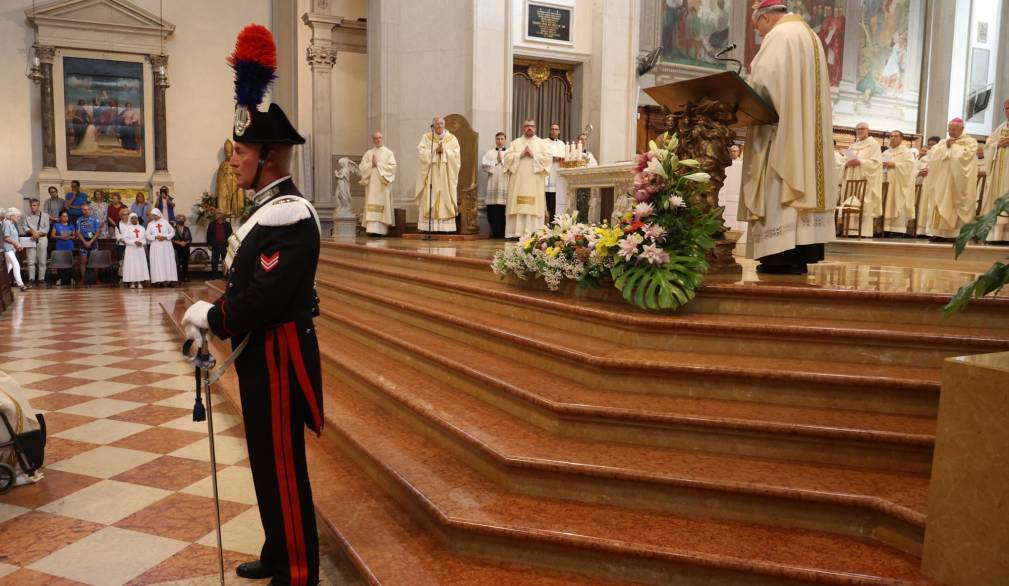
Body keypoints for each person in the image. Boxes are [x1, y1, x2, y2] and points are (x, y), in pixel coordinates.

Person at [182, 24, 323, 585]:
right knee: (264, 459)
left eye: (239, 152)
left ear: (267, 157)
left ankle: (297, 570)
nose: (233, 161)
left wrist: (211, 317)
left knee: (283, 465)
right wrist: (214, 320)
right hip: (262, 356)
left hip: (281, 357)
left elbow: (264, 297)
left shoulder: (292, 215)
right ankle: (276, 547)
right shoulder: (264, 210)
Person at [738, 0, 835, 274]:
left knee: (779, 186)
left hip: (781, 133)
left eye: (757, 27)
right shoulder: (810, 35)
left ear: (766, 17)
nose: (759, 33)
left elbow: (764, 84)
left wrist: (744, 93)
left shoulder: (780, 36)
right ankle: (800, 254)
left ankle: (780, 256)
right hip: (801, 129)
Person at [922, 118, 979, 241]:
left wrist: (953, 148)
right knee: (939, 202)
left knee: (954, 202)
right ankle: (939, 233)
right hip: (942, 180)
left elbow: (967, 157)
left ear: (962, 129)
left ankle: (955, 234)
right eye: (949, 129)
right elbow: (931, 154)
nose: (951, 132)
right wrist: (946, 147)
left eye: (953, 129)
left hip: (958, 181)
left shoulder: (970, 142)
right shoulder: (944, 142)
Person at [504, 119, 553, 238]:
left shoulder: (541, 143)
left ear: (535, 128)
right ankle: (516, 233)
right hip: (518, 181)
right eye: (526, 126)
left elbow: (548, 159)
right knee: (517, 205)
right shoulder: (515, 143)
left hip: (534, 181)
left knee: (534, 206)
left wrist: (533, 155)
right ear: (523, 128)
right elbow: (506, 158)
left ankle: (533, 232)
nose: (529, 128)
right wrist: (519, 155)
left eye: (532, 126)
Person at [415, 116, 461, 232]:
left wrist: (444, 151)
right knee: (430, 195)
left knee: (445, 195)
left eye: (441, 124)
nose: (439, 126)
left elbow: (456, 155)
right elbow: (421, 153)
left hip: (446, 174)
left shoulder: (452, 139)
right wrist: (435, 150)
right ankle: (428, 227)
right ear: (433, 126)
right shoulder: (426, 138)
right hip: (431, 172)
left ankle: (445, 228)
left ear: (444, 125)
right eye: (437, 124)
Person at [840, 122, 883, 237]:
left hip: (865, 179)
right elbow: (844, 161)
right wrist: (846, 164)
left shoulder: (874, 145)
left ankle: (863, 231)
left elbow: (876, 163)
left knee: (864, 202)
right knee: (848, 200)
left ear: (868, 130)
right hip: (850, 178)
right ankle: (848, 230)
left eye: (862, 129)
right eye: (857, 129)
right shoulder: (853, 146)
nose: (859, 131)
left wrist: (860, 162)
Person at [979, 99, 1009, 242]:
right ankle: (996, 236)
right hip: (1000, 174)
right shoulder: (1001, 128)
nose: (1008, 111)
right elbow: (988, 146)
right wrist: (997, 144)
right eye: (1006, 109)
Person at [358, 131, 397, 236]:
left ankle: (381, 231)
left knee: (382, 204)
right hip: (372, 185)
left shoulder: (389, 153)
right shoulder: (369, 153)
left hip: (382, 184)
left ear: (382, 138)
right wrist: (371, 164)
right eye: (376, 138)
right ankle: (371, 230)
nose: (378, 139)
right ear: (373, 140)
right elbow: (361, 167)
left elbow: (392, 168)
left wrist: (378, 164)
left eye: (380, 137)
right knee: (371, 204)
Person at [882, 130, 917, 236]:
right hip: (888, 181)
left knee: (899, 203)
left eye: (896, 136)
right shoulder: (886, 152)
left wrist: (894, 164)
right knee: (887, 203)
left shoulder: (906, 152)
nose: (892, 138)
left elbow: (910, 167)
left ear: (901, 138)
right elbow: (883, 167)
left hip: (900, 183)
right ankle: (886, 228)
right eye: (891, 136)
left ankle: (898, 230)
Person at [481, 132, 509, 238]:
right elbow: (484, 165)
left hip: (505, 183)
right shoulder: (490, 153)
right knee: (493, 209)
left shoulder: (510, 153)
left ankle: (504, 232)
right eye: (498, 139)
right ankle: (495, 232)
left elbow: (513, 165)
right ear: (495, 140)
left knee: (504, 209)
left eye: (502, 139)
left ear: (505, 140)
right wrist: (495, 162)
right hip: (493, 184)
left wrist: (502, 161)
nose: (500, 141)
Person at [21, 199, 49, 286]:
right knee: (31, 260)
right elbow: (25, 227)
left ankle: (41, 279)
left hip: (42, 238)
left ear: (38, 205)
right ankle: (31, 279)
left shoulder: (45, 215)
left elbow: (47, 228)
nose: (33, 207)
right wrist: (33, 233)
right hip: (31, 239)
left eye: (35, 205)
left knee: (42, 260)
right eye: (31, 205)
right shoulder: (26, 216)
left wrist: (38, 234)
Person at [146, 207, 177, 287]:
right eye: (152, 216)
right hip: (156, 246)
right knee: (157, 263)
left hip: (166, 246)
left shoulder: (165, 222)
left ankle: (169, 280)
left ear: (158, 214)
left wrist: (166, 237)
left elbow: (173, 232)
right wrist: (155, 237)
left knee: (167, 262)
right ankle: (158, 281)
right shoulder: (150, 224)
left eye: (154, 215)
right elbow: (147, 235)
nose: (153, 217)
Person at [543, 123, 566, 221]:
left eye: (556, 129)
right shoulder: (544, 142)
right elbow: (541, 156)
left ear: (559, 131)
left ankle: (557, 222)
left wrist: (563, 159)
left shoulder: (562, 144)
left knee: (558, 200)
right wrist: (552, 158)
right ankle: (547, 222)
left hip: (559, 175)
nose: (554, 131)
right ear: (549, 130)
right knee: (549, 200)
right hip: (549, 175)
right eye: (552, 129)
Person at [2, 208, 28, 291]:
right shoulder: (6, 223)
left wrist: (17, 245)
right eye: (17, 216)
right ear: (11, 215)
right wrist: (17, 244)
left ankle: (2, 283)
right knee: (16, 265)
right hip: (7, 249)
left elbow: (13, 237)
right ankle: (21, 285)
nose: (19, 218)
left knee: (8, 268)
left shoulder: (12, 224)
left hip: (12, 249)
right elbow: (6, 238)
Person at [121, 212, 149, 289]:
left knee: (139, 265)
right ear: (130, 219)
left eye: (135, 218)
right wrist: (134, 242)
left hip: (140, 250)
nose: (134, 219)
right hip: (131, 249)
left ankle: (139, 282)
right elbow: (125, 239)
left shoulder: (142, 228)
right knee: (131, 265)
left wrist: (141, 243)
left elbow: (144, 239)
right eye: (132, 218)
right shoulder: (127, 228)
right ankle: (132, 282)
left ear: (137, 219)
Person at [76, 203, 101, 286]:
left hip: (93, 241)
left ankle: (97, 279)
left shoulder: (95, 219)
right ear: (81, 210)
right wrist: (84, 242)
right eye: (84, 209)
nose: (86, 211)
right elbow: (78, 233)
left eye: (87, 209)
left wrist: (90, 242)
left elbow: (98, 232)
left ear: (90, 210)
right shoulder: (79, 220)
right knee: (83, 261)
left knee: (95, 261)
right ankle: (82, 279)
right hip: (83, 241)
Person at [50, 210, 76, 287]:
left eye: (66, 216)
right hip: (60, 246)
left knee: (70, 263)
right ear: (60, 217)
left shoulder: (71, 225)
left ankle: (72, 278)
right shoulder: (56, 225)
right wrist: (61, 237)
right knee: (60, 263)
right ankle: (59, 278)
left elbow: (74, 236)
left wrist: (68, 237)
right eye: (63, 216)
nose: (65, 218)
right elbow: (52, 235)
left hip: (69, 245)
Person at [206, 214, 233, 278]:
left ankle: (225, 275)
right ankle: (214, 275)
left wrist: (230, 244)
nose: (216, 215)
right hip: (215, 246)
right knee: (214, 262)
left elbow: (230, 234)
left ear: (222, 216)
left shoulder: (227, 224)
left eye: (218, 214)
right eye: (216, 214)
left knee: (225, 262)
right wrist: (209, 244)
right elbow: (208, 234)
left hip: (225, 246)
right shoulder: (212, 224)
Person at [172, 215, 192, 282]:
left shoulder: (187, 228)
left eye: (183, 219)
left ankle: (185, 277)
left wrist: (185, 243)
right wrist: (179, 243)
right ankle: (177, 277)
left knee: (185, 263)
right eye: (180, 219)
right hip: (177, 249)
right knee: (177, 263)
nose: (181, 220)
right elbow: (172, 239)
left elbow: (190, 238)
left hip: (185, 248)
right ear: (177, 220)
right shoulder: (173, 229)